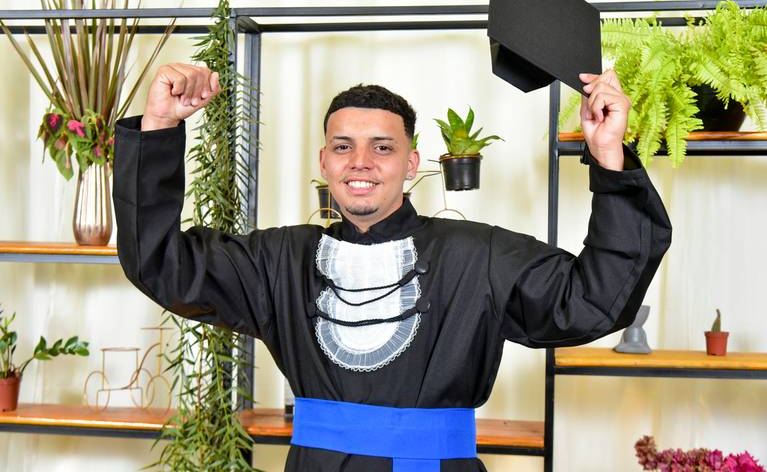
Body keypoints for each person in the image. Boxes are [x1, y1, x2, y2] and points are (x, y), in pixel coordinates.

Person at [114, 63, 672, 472]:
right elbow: (161, 263)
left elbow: (592, 301)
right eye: (343, 147)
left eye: (382, 148)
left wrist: (608, 155)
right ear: (324, 161)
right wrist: (159, 124)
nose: (360, 162)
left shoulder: (477, 254)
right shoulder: (278, 261)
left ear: (411, 164)